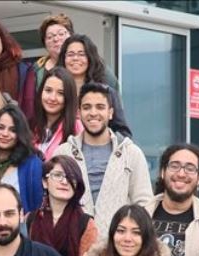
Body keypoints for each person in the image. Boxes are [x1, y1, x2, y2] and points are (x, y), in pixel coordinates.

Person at [54, 82, 152, 244]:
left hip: (117, 248)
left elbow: (144, 205)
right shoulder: (63, 153)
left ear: (110, 113)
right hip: (72, 246)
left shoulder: (131, 153)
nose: (93, 113)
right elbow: (53, 201)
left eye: (100, 107)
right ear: (79, 112)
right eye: (87, 107)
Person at [26, 155, 97, 256]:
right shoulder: (31, 219)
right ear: (45, 182)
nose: (64, 181)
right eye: (57, 175)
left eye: (71, 177)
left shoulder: (86, 223)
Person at [58, 34, 131, 137]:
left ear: (90, 57)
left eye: (81, 54)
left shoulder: (106, 91)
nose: (75, 58)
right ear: (63, 58)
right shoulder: (56, 91)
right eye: (70, 54)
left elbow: (123, 132)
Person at [0, 104, 44, 212]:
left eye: (13, 130)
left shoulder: (32, 165)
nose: (5, 134)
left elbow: (37, 206)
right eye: (0, 127)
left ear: (20, 133)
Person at [31, 67, 82, 160]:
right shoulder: (31, 126)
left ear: (68, 97)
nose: (52, 98)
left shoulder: (76, 127)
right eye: (48, 90)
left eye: (60, 93)